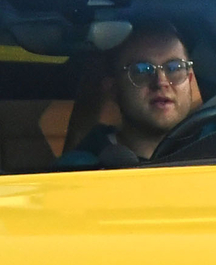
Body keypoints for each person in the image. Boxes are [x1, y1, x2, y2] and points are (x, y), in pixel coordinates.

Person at [60, 25, 203, 166]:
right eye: (141, 70)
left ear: (189, 79)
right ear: (113, 89)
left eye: (174, 68)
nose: (161, 82)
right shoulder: (78, 169)